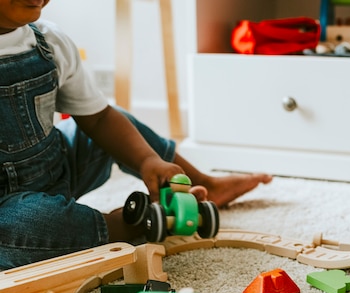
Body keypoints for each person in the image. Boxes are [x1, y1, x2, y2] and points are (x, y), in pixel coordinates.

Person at [0, 0, 272, 270]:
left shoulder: (49, 41)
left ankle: (197, 183)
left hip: (58, 168)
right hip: (9, 208)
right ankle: (127, 225)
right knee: (15, 230)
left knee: (114, 118)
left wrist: (146, 160)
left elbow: (98, 118)